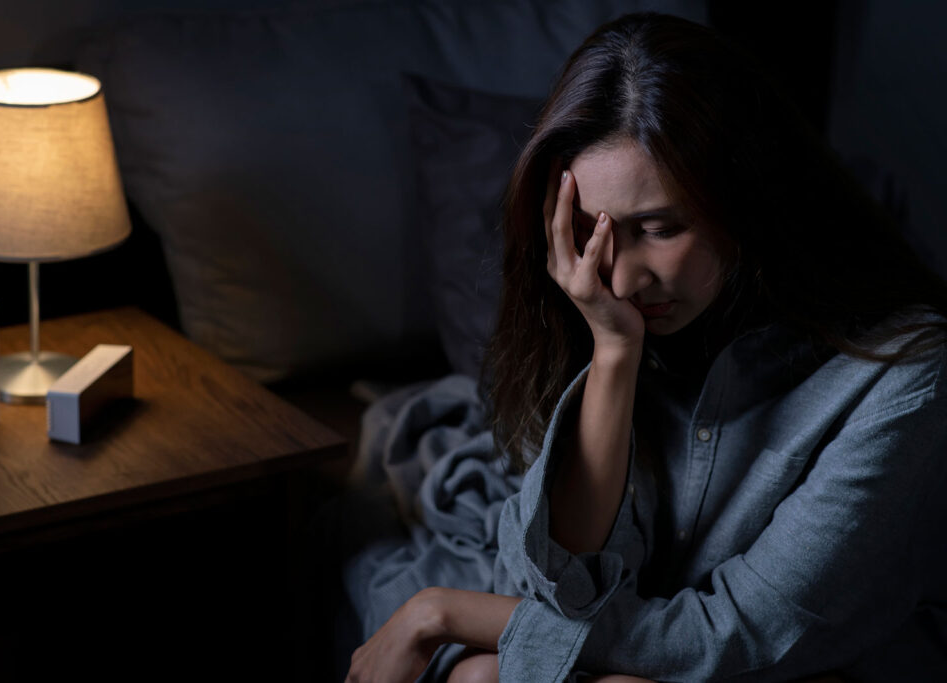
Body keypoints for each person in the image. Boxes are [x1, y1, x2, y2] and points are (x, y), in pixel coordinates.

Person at [346, 12, 947, 682]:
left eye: (659, 228)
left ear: (743, 201)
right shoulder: (599, 304)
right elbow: (552, 587)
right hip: (650, 648)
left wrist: (441, 610)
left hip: (810, 666)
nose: (625, 278)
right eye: (591, 231)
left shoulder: (904, 370)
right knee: (480, 677)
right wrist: (611, 351)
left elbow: (737, 635)